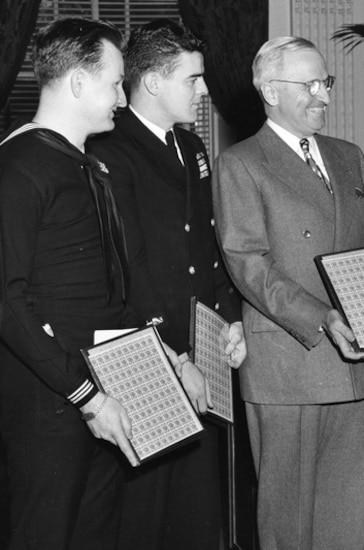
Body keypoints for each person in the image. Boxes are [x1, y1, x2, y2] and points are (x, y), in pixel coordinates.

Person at [212, 37, 364, 550]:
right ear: (270, 90)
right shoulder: (241, 164)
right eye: (308, 85)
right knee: (288, 523)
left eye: (326, 82)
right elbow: (249, 265)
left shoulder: (349, 156)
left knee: (343, 517)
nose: (323, 96)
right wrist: (323, 318)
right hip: (290, 362)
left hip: (356, 360)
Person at [87, 19, 245, 550]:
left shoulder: (191, 145)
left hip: (201, 346)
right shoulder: (109, 149)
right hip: (150, 353)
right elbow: (129, 270)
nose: (203, 90)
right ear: (153, 82)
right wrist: (176, 357)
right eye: (193, 79)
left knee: (199, 511)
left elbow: (206, 245)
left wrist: (231, 323)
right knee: (149, 513)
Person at [0, 18, 139, 549]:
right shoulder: (19, 168)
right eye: (114, 83)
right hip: (53, 403)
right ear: (78, 83)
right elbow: (8, 305)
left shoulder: (87, 165)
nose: (122, 99)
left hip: (101, 391)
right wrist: (87, 398)